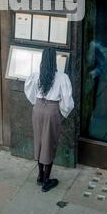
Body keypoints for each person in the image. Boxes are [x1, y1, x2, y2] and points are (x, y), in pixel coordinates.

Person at [24, 48, 74, 193]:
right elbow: (67, 102)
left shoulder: (37, 75)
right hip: (52, 111)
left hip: (38, 109)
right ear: (55, 60)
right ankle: (46, 180)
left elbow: (29, 92)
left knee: (39, 141)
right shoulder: (62, 77)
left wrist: (37, 103)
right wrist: (63, 113)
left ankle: (40, 176)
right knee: (49, 143)